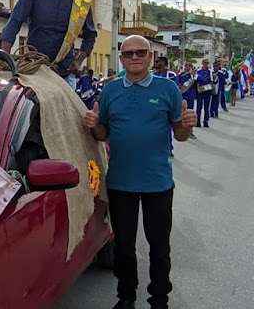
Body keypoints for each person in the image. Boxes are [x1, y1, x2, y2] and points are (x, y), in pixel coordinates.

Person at [83, 35, 197, 309]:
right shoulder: (110, 91)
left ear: (149, 57)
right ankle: (126, 297)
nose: (134, 58)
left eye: (140, 53)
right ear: (121, 59)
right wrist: (92, 124)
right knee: (124, 246)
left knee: (159, 247)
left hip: (158, 183)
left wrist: (188, 125)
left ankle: (159, 299)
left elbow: (179, 135)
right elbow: (103, 134)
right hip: (121, 183)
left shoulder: (168, 89)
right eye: (128, 53)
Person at [0, 0, 97, 88]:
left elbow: (90, 35)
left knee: (71, 110)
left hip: (63, 73)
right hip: (32, 69)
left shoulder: (83, 2)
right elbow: (14, 22)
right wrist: (3, 57)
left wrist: (78, 60)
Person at [153, 56, 178, 156]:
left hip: (168, 105)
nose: (156, 63)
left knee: (167, 128)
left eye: (158, 61)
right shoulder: (153, 75)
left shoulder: (172, 75)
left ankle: (169, 148)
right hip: (155, 105)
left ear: (164, 63)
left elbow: (176, 90)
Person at [179, 61, 197, 139]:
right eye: (186, 65)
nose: (187, 67)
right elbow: (179, 85)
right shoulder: (181, 75)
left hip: (190, 96)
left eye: (189, 66)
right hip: (183, 96)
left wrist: (193, 76)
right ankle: (181, 131)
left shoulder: (193, 76)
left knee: (189, 114)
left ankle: (190, 131)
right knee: (181, 114)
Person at [196, 59, 213, 128]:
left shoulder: (210, 72)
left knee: (206, 107)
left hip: (207, 91)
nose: (206, 64)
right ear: (202, 63)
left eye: (207, 63)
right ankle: (198, 121)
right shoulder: (198, 71)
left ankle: (206, 121)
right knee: (199, 107)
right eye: (204, 63)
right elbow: (196, 80)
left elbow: (212, 80)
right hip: (200, 91)